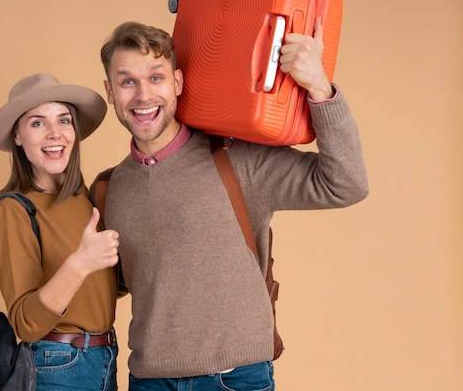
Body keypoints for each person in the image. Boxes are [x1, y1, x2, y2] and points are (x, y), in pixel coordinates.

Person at [91, 21, 369, 390]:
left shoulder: (236, 160)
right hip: (148, 380)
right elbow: (110, 287)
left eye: (155, 78)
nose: (143, 96)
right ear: (110, 92)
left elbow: (346, 184)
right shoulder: (109, 188)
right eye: (127, 82)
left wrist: (319, 87)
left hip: (235, 378)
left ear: (177, 83)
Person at [0, 72, 121, 391]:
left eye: (64, 120)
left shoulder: (87, 201)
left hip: (105, 360)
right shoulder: (14, 209)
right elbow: (26, 323)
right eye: (37, 123)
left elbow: (97, 292)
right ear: (17, 136)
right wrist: (80, 263)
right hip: (56, 367)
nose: (54, 134)